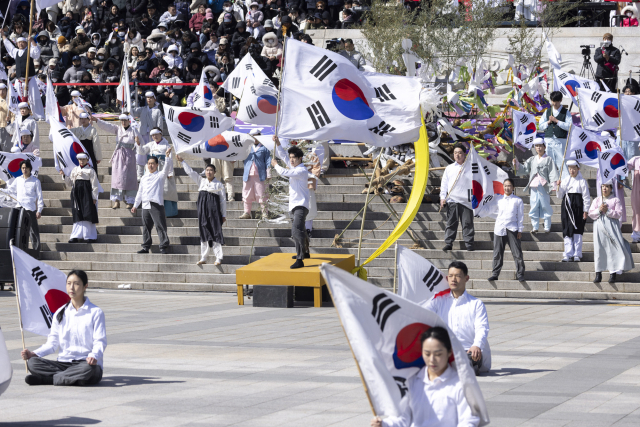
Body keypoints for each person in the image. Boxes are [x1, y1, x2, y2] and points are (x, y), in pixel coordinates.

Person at [370, 327, 480, 427]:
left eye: (438, 354)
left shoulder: (460, 384)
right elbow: (403, 418)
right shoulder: (413, 381)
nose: (432, 359)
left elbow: (468, 420)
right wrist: (384, 424)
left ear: (449, 352)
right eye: (427, 354)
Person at [21, 270, 106, 386]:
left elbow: (100, 341)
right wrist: (33, 354)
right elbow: (52, 344)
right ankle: (71, 378)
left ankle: (48, 380)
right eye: (69, 283)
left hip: (85, 363)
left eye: (76, 283)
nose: (72, 287)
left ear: (85, 286)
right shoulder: (60, 313)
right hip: (63, 363)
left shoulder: (95, 312)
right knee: (32, 363)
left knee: (90, 370)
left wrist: (94, 355)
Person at [425, 261, 491, 375]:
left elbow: (482, 327)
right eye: (450, 276)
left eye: (458, 276)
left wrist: (476, 345)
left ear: (466, 278)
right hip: (445, 351)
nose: (453, 279)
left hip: (468, 351)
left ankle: (457, 366)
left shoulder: (476, 304)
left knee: (469, 358)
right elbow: (421, 314)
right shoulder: (438, 301)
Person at [177, 154, 227, 265]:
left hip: (214, 212)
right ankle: (203, 257)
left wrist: (223, 215)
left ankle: (218, 257)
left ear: (214, 172)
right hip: (203, 210)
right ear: (205, 171)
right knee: (204, 232)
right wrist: (182, 161)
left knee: (216, 232)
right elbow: (190, 172)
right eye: (207, 170)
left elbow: (223, 201)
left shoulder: (219, 185)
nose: (209, 172)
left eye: (211, 170)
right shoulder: (201, 181)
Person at [272, 136, 311, 269]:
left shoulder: (301, 170)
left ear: (300, 158)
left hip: (301, 205)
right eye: (291, 157)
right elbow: (284, 156)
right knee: (300, 230)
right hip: (294, 205)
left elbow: (284, 171)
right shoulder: (295, 167)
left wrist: (275, 165)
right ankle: (305, 252)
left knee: (296, 231)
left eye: (294, 157)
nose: (291, 160)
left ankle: (300, 259)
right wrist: (278, 144)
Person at [131, 146, 174, 254]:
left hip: (156, 204)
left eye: (153, 163)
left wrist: (168, 156)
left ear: (157, 165)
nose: (150, 165)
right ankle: (146, 246)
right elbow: (140, 192)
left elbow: (167, 167)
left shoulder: (160, 175)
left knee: (160, 225)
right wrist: (135, 205)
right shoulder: (144, 178)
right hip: (145, 204)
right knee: (146, 227)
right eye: (149, 163)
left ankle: (163, 246)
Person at [589, 182, 635, 284]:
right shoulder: (597, 200)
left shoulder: (615, 200)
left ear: (611, 188)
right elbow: (591, 214)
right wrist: (599, 210)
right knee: (599, 249)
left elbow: (618, 214)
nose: (604, 189)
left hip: (611, 227)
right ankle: (598, 274)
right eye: (603, 186)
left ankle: (612, 273)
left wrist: (608, 210)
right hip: (599, 227)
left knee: (612, 249)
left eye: (606, 187)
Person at [92, 113, 139, 209]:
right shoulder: (118, 129)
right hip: (119, 155)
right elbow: (108, 126)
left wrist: (137, 140)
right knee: (118, 178)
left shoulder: (134, 130)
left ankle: (130, 201)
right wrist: (97, 120)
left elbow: (140, 142)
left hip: (130, 155)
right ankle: (117, 200)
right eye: (122, 120)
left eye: (125, 120)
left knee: (130, 178)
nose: (123, 122)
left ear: (129, 121)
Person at [514, 138, 558, 233]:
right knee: (534, 205)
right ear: (535, 148)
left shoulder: (549, 159)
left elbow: (552, 172)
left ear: (544, 147)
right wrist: (516, 164)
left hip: (544, 186)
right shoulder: (532, 159)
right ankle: (535, 227)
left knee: (545, 205)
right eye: (537, 146)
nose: (539, 148)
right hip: (533, 185)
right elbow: (525, 169)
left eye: (540, 146)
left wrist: (554, 184)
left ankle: (547, 226)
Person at [488, 178, 525, 282]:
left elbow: (520, 216)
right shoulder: (498, 199)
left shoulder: (518, 200)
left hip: (513, 228)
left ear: (513, 188)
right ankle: (495, 274)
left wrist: (520, 230)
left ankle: (520, 274)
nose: (507, 188)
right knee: (497, 253)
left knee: (517, 253)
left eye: (509, 186)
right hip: (499, 228)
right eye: (505, 185)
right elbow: (491, 211)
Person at [136, 128, 178, 217]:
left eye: (156, 134)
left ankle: (167, 212)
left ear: (161, 134)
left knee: (165, 190)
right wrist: (138, 144)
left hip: (163, 168)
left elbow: (169, 159)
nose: (154, 136)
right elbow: (142, 151)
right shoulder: (151, 144)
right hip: (152, 169)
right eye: (153, 135)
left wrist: (170, 172)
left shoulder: (166, 145)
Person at [440, 143, 474, 252]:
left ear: (464, 154)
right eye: (455, 153)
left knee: (467, 223)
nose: (457, 155)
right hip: (452, 200)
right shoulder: (449, 168)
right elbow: (444, 184)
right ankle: (449, 243)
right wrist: (442, 197)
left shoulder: (471, 167)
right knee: (451, 222)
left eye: (460, 153)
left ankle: (469, 243)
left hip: (466, 200)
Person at [2, 35, 45, 120]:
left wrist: (32, 41)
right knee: (17, 96)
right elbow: (8, 45)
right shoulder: (15, 52)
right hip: (19, 79)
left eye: (23, 42)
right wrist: (3, 35)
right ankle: (19, 114)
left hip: (30, 78)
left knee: (34, 97)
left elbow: (37, 53)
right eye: (19, 43)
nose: (21, 44)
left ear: (26, 43)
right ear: (17, 44)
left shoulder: (29, 50)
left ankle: (38, 115)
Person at [61, 153, 99, 243]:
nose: (82, 161)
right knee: (77, 213)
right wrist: (64, 176)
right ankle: (75, 235)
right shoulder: (75, 170)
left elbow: (94, 185)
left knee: (87, 213)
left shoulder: (91, 170)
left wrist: (94, 197)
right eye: (80, 160)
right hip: (76, 194)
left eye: (83, 159)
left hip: (87, 194)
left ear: (87, 160)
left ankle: (89, 236)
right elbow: (70, 183)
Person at [557, 160, 590, 262]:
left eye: (574, 169)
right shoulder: (565, 180)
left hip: (578, 206)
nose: (572, 171)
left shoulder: (582, 181)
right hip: (567, 206)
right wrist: (558, 187)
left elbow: (586, 197)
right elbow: (559, 196)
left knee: (577, 229)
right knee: (567, 229)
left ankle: (577, 253)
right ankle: (567, 253)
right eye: (570, 169)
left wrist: (586, 210)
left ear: (578, 169)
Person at [8, 160, 43, 252]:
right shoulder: (18, 179)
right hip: (19, 208)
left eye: (26, 168)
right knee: (17, 230)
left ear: (30, 169)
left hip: (30, 209)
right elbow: (10, 190)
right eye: (23, 168)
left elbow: (40, 197)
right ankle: (18, 251)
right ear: (21, 169)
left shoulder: (36, 181)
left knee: (33, 231)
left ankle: (36, 252)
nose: (24, 170)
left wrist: (39, 210)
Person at [538, 91, 571, 182]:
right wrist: (548, 122)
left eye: (556, 101)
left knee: (562, 162)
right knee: (548, 161)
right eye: (553, 101)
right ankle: (549, 182)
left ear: (561, 100)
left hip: (560, 140)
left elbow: (569, 126)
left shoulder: (565, 112)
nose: (554, 103)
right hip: (549, 140)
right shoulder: (547, 111)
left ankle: (564, 182)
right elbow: (540, 126)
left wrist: (557, 121)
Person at [131, 92, 165, 181]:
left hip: (152, 137)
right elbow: (132, 113)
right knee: (140, 155)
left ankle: (151, 174)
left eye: (151, 98)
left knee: (151, 155)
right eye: (147, 98)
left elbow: (160, 125)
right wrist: (127, 104)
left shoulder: (157, 111)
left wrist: (158, 136)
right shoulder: (142, 109)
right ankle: (140, 175)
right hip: (142, 135)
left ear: (154, 99)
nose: (149, 99)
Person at [240, 130, 270, 219]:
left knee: (262, 194)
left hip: (260, 175)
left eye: (257, 136)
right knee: (246, 193)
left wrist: (268, 173)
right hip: (248, 174)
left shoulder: (265, 148)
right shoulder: (247, 147)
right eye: (253, 136)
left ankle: (264, 213)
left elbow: (268, 161)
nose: (255, 138)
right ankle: (247, 212)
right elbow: (241, 156)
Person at [628, 146, 640, 243]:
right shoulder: (636, 159)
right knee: (636, 211)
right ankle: (636, 234)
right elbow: (624, 168)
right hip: (637, 189)